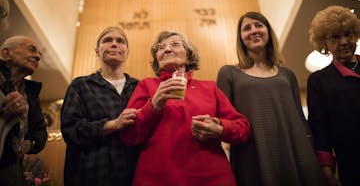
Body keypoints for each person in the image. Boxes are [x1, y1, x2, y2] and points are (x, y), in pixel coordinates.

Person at [121, 31, 251, 186]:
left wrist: (219, 128)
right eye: (161, 47)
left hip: (212, 177)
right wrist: (153, 106)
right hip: (157, 178)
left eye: (175, 44)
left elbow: (243, 128)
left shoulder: (210, 88)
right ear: (157, 58)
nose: (167, 49)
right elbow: (129, 136)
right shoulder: (146, 85)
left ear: (189, 56)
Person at [217, 11, 326, 186]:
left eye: (259, 25)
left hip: (295, 147)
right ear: (240, 38)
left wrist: (314, 155)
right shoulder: (228, 73)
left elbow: (300, 117)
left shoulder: (287, 74)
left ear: (268, 31)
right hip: (252, 152)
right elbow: (226, 121)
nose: (254, 30)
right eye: (247, 28)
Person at [61, 26, 140, 186]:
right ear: (97, 51)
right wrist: (113, 125)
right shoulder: (80, 85)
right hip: (90, 175)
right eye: (107, 40)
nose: (114, 44)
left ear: (127, 52)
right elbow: (70, 130)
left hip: (132, 175)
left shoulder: (139, 87)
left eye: (120, 41)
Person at [307, 5, 360, 186]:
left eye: (348, 34)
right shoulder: (319, 81)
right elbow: (320, 129)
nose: (345, 41)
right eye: (336, 37)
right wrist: (326, 171)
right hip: (354, 165)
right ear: (324, 43)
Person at [0, 35, 47, 186]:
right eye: (32, 50)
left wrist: (31, 143)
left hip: (12, 167)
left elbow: (41, 131)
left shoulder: (31, 94)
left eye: (40, 54)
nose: (38, 57)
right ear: (7, 53)